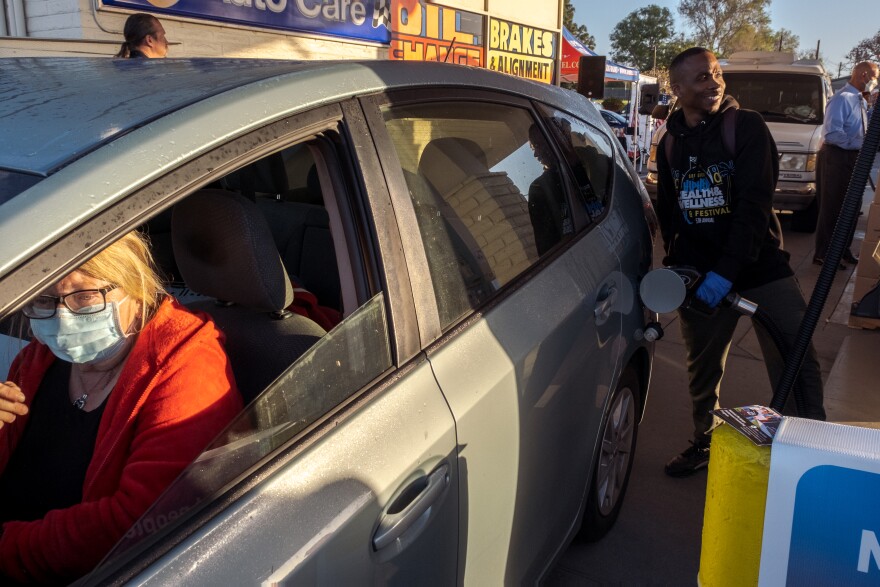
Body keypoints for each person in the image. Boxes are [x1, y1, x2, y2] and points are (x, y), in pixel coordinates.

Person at [0, 231, 242, 583]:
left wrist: (7, 548)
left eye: (84, 296)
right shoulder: (40, 358)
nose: (61, 317)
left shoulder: (186, 365)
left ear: (135, 285)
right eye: (43, 299)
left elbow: (136, 522)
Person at [655, 47, 826, 478]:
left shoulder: (745, 127)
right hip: (699, 273)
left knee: (795, 356)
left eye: (715, 73)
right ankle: (706, 441)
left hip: (758, 265)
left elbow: (754, 205)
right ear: (677, 89)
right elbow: (670, 211)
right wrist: (677, 266)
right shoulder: (671, 141)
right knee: (702, 370)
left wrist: (727, 271)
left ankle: (806, 457)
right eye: (700, 78)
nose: (713, 82)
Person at [813, 61, 879, 267]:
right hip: (837, 157)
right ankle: (824, 254)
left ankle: (842, 249)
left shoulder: (860, 100)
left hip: (852, 157)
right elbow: (833, 133)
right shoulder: (842, 99)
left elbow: (860, 126)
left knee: (853, 206)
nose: (876, 81)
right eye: (875, 76)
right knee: (833, 206)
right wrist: (861, 143)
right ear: (864, 75)